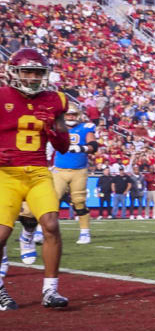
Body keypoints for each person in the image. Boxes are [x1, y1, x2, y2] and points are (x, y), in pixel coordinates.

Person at [0, 47, 73, 309]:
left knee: (51, 226)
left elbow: (63, 146)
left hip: (38, 171)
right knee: (1, 234)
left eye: (37, 72)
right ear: (14, 72)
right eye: (27, 71)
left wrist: (51, 129)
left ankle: (50, 290)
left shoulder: (55, 100)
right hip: (6, 173)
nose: (32, 77)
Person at [50, 100, 97, 244]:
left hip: (79, 171)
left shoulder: (85, 128)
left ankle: (84, 232)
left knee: (79, 201)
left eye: (73, 115)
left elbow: (93, 145)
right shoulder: (57, 128)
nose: (71, 117)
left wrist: (81, 148)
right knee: (51, 201)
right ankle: (41, 230)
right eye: (68, 115)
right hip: (59, 170)